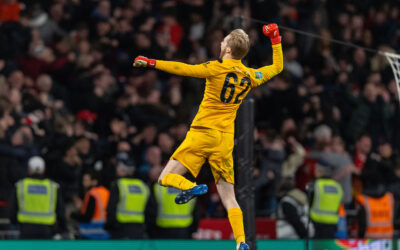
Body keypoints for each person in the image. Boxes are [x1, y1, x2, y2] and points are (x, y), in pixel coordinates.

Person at [133, 24, 283, 250]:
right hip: (224, 141)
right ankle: (242, 241)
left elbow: (183, 69)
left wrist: (152, 62)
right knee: (229, 197)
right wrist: (275, 38)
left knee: (164, 178)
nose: (221, 44)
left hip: (202, 134)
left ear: (229, 50)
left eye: (223, 42)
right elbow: (278, 66)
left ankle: (188, 186)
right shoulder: (252, 75)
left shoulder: (216, 68)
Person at [9, 156, 67, 239]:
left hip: (26, 229)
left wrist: (14, 222)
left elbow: (13, 209)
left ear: (29, 169)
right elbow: (60, 210)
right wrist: (62, 228)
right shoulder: (53, 186)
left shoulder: (21, 185)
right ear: (43, 169)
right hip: (46, 230)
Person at [106, 152, 150, 239]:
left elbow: (111, 208)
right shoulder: (142, 185)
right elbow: (148, 208)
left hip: (121, 229)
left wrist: (110, 226)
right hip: (139, 229)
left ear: (121, 169)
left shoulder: (118, 185)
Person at [356, 160, 395, 239]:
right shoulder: (389, 197)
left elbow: (362, 222)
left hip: (370, 241)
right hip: (387, 240)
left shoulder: (363, 199)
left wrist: (360, 236)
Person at [307, 160, 343, 239]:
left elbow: (308, 202)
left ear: (320, 172)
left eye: (316, 170)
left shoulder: (315, 184)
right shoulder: (337, 186)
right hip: (332, 224)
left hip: (316, 224)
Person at [72, 171, 110, 239]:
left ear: (94, 181)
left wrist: (73, 215)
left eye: (86, 180)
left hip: (90, 232)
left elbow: (87, 217)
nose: (83, 183)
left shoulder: (92, 194)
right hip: (105, 232)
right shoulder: (106, 192)